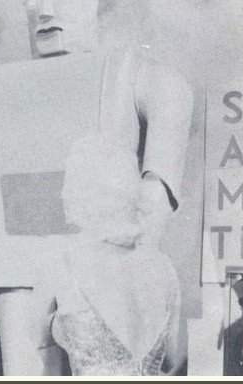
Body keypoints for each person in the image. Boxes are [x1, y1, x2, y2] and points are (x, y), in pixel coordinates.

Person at [0, 0, 193, 375]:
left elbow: (169, 115)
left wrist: (139, 260)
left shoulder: (134, 74)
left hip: (107, 269)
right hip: (23, 272)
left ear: (90, 0)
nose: (45, 11)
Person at [35, 135, 183, 375]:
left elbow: (39, 360)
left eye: (70, 183)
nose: (63, 194)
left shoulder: (63, 263)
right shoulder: (164, 268)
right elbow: (173, 359)